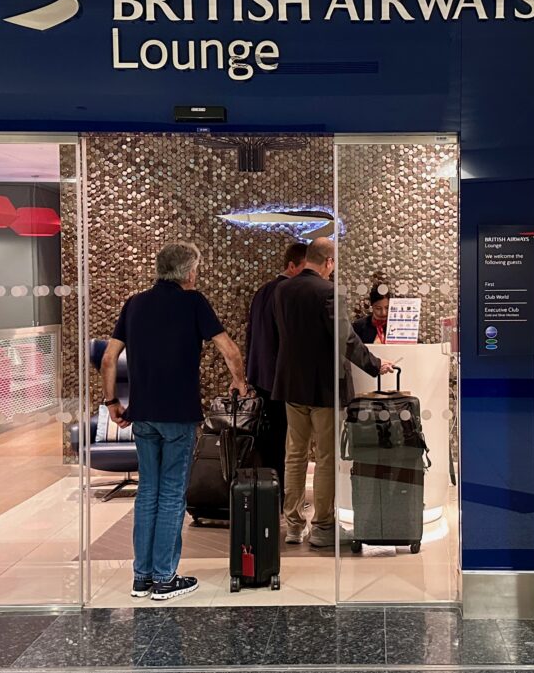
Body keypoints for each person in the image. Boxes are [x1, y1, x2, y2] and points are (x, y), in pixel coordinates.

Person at [101, 241, 247, 601]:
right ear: (189, 272)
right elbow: (229, 350)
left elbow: (108, 359)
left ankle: (141, 577)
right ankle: (165, 578)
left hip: (143, 414)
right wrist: (239, 381)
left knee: (147, 491)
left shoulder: (134, 304)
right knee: (170, 495)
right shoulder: (194, 302)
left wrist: (111, 402)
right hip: (178, 415)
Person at [272, 237, 394, 547]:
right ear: (328, 262)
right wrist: (374, 364)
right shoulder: (328, 292)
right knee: (325, 457)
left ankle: (294, 525)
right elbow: (346, 339)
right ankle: (324, 527)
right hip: (324, 387)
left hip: (291, 385)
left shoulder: (282, 290)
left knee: (295, 454)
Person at [245, 242, 308, 496]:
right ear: (291, 266)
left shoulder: (262, 291)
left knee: (269, 438)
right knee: (285, 440)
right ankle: (282, 494)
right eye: (305, 268)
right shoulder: (288, 292)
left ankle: (270, 492)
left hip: (261, 375)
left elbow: (251, 335)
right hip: (281, 378)